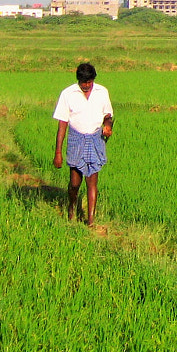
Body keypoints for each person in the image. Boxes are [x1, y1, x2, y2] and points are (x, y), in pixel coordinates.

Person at [53, 61, 114, 227]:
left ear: (93, 80)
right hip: (76, 139)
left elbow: (108, 115)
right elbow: (62, 124)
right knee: (74, 183)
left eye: (89, 82)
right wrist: (58, 152)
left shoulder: (102, 92)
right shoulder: (68, 94)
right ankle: (71, 209)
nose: (86, 86)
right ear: (78, 81)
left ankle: (91, 221)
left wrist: (107, 126)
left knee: (92, 181)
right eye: (83, 83)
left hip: (95, 139)